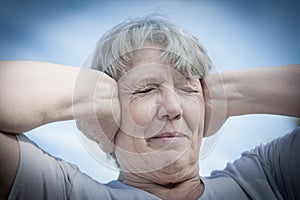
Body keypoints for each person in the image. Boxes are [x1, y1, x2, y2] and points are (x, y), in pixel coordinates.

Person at [0, 15, 299, 200]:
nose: (172, 108)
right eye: (145, 89)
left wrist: (228, 93)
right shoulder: (65, 192)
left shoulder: (269, 177)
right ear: (107, 117)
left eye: (187, 88)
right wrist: (94, 92)